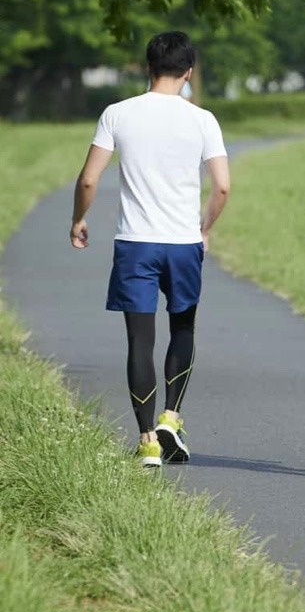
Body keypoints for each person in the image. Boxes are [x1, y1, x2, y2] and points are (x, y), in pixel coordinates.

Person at [70, 31, 230, 468]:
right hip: (182, 244)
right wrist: (204, 227)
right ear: (189, 71)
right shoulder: (203, 120)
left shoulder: (117, 114)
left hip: (135, 244)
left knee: (139, 341)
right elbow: (221, 186)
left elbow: (88, 179)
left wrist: (78, 219)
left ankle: (146, 443)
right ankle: (171, 417)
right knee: (183, 328)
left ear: (147, 67)